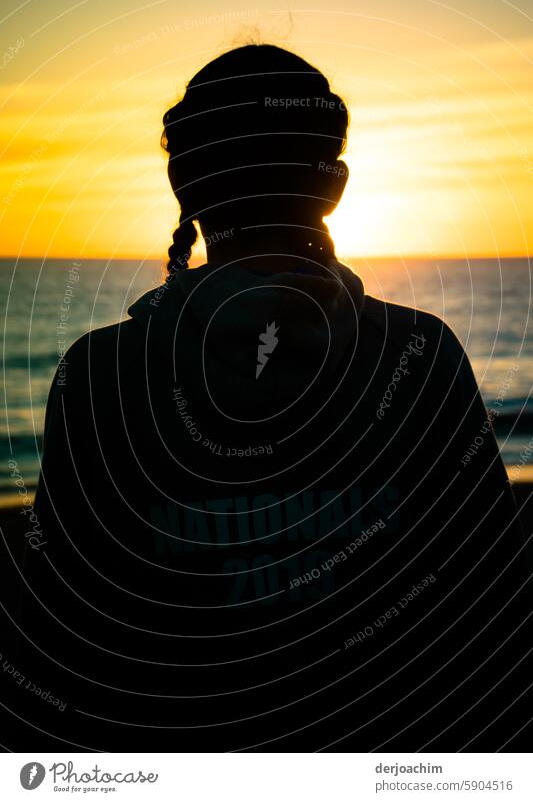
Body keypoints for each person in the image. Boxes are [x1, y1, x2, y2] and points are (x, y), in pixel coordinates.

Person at [15, 44, 531, 752]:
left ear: (182, 182)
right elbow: (493, 596)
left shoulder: (102, 372)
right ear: (335, 185)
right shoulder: (419, 352)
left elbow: (61, 620)